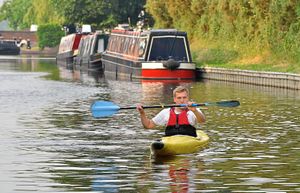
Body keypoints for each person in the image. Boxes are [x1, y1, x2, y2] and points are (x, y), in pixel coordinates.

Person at [136, 86, 206, 137]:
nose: (182, 100)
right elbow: (148, 125)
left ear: (188, 98)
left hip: (189, 140)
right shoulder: (166, 112)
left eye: (184, 97)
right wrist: (142, 113)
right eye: (179, 98)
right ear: (174, 99)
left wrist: (195, 111)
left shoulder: (193, 110)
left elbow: (202, 121)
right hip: (171, 141)